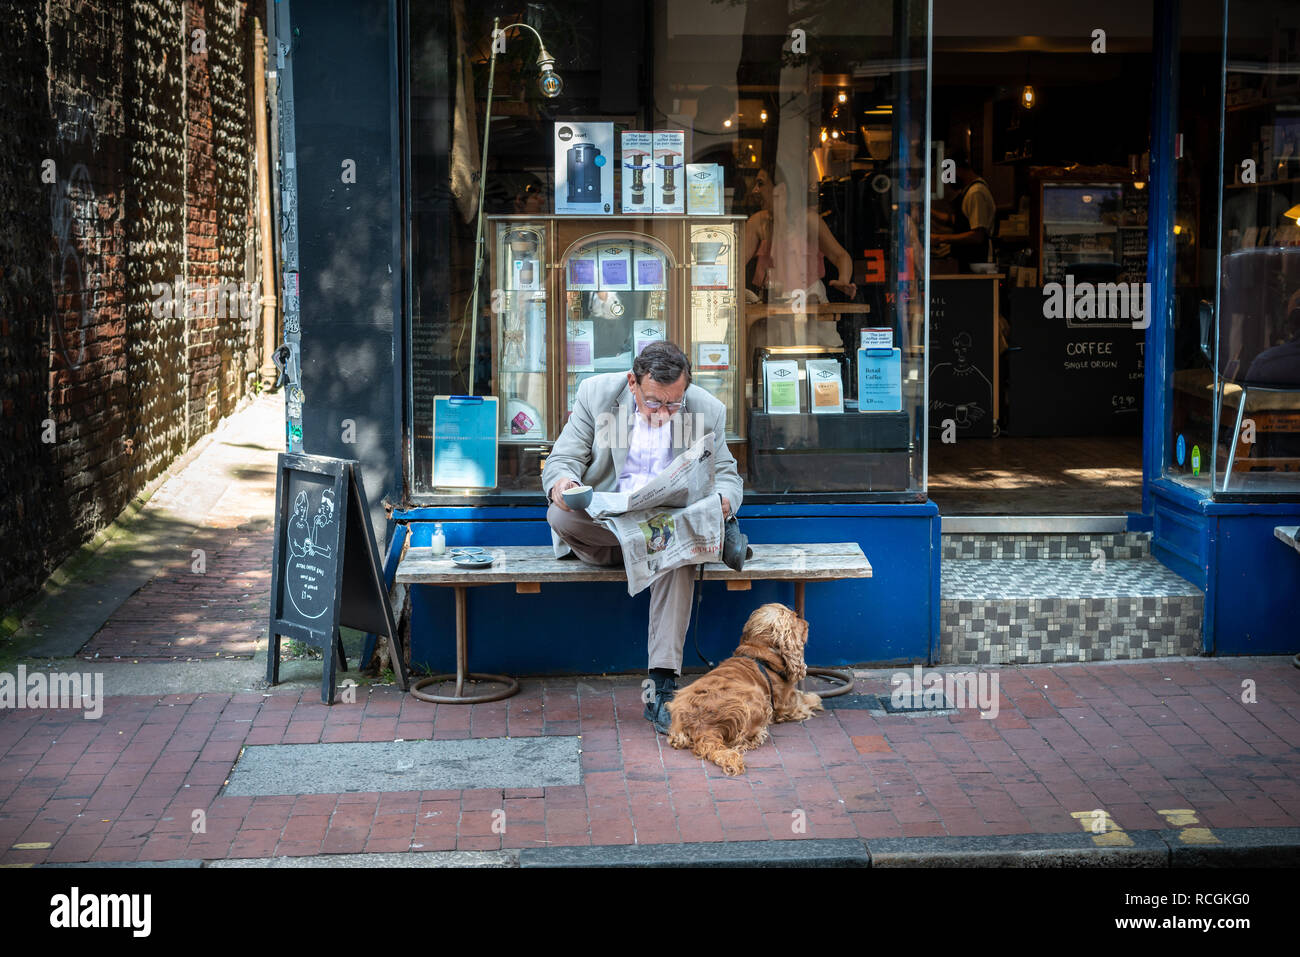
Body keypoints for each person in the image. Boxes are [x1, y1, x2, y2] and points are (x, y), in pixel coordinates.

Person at [542, 341, 744, 735]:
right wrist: (564, 484)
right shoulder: (598, 396)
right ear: (633, 383)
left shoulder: (704, 410)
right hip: (609, 535)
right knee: (557, 515)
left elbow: (728, 475)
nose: (664, 414)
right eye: (654, 404)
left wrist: (723, 501)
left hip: (664, 535)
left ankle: (663, 686)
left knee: (674, 547)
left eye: (673, 405)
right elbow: (562, 459)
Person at [932, 147, 996, 272]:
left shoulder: (975, 193)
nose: (948, 180)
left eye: (949, 175)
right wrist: (928, 212)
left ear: (958, 170)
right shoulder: (968, 191)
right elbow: (960, 221)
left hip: (977, 262)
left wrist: (940, 238)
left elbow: (977, 236)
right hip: (966, 260)